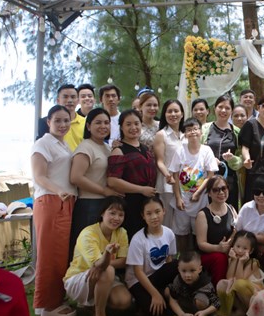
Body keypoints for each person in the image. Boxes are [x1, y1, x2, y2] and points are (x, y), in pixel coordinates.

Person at [31, 105, 77, 316]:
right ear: (48, 122)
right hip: (51, 200)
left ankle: (52, 301)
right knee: (49, 255)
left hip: (64, 200)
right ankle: (47, 306)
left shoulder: (63, 144)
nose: (62, 124)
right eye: (57, 120)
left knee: (59, 255)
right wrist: (58, 190)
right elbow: (39, 176)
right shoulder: (43, 144)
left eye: (66, 120)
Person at [64, 196, 132, 316]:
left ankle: (91, 305)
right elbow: (100, 264)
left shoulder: (121, 232)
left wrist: (102, 264)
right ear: (102, 213)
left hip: (101, 276)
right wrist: (105, 256)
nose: (116, 218)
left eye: (121, 214)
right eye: (112, 213)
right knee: (108, 270)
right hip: (77, 279)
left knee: (124, 301)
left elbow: (123, 261)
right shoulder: (88, 234)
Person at [69, 108, 122, 258]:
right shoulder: (85, 147)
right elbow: (76, 177)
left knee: (101, 250)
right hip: (88, 205)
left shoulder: (106, 147)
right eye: (98, 122)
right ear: (88, 126)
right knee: (86, 252)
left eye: (106, 122)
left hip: (104, 205)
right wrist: (104, 191)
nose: (103, 126)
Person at [107, 109, 157, 240]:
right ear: (121, 127)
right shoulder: (119, 150)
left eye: (136, 123)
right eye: (128, 124)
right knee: (132, 240)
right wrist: (141, 189)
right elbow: (112, 181)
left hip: (148, 203)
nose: (133, 127)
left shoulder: (145, 148)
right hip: (130, 204)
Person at [170, 118, 218, 253]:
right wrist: (178, 198)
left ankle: (198, 259)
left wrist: (198, 193)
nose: (193, 132)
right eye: (189, 130)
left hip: (201, 200)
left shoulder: (206, 150)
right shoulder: (180, 150)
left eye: (195, 129)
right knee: (181, 233)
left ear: (201, 132)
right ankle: (183, 259)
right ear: (185, 134)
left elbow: (210, 175)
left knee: (199, 232)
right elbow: (175, 176)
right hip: (183, 200)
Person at [125, 196, 178, 316]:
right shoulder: (138, 239)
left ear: (164, 211)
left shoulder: (169, 233)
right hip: (138, 280)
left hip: (157, 275)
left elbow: (169, 260)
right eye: (149, 213)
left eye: (157, 211)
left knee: (177, 265)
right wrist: (155, 294)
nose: (154, 217)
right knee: (155, 312)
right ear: (143, 216)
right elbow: (138, 272)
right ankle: (141, 300)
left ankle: (168, 294)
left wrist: (168, 283)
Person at [201, 94, 243, 210]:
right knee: (207, 212)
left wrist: (232, 159)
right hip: (207, 179)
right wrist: (209, 160)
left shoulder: (237, 132)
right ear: (215, 108)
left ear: (232, 111)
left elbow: (241, 158)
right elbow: (197, 151)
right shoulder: (205, 128)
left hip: (229, 180)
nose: (223, 110)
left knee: (228, 211)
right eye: (220, 107)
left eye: (227, 108)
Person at [195, 175, 237, 286]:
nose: (221, 192)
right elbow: (201, 244)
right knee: (220, 258)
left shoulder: (231, 209)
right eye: (216, 190)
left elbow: (236, 231)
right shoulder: (203, 214)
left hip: (228, 252)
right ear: (209, 193)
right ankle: (218, 289)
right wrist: (218, 248)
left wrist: (229, 245)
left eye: (224, 188)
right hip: (209, 256)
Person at [214, 230, 264, 316]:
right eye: (238, 246)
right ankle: (234, 311)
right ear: (233, 246)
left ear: (251, 250)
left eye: (245, 248)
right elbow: (229, 278)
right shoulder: (232, 259)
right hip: (240, 295)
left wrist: (240, 262)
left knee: (239, 283)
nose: (240, 250)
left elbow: (240, 279)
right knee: (223, 283)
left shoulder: (253, 262)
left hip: (254, 294)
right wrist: (234, 260)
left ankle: (251, 313)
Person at [167, 251, 221, 316]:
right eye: (184, 271)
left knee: (200, 300)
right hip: (184, 302)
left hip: (199, 305)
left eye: (192, 270)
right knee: (168, 291)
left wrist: (204, 312)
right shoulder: (178, 280)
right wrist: (181, 315)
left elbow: (217, 303)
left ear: (199, 269)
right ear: (179, 269)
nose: (188, 275)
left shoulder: (205, 284)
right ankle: (181, 315)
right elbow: (173, 299)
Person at [153, 99, 185, 230]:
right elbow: (159, 161)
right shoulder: (161, 135)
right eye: (169, 111)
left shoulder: (185, 135)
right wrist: (168, 175)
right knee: (166, 221)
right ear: (164, 114)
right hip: (168, 183)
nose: (173, 114)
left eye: (176, 111)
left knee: (182, 222)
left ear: (182, 114)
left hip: (186, 183)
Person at [37, 84, 85, 152]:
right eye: (65, 97)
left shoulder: (86, 122)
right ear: (58, 100)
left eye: (73, 97)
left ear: (78, 101)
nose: (69, 100)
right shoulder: (46, 122)